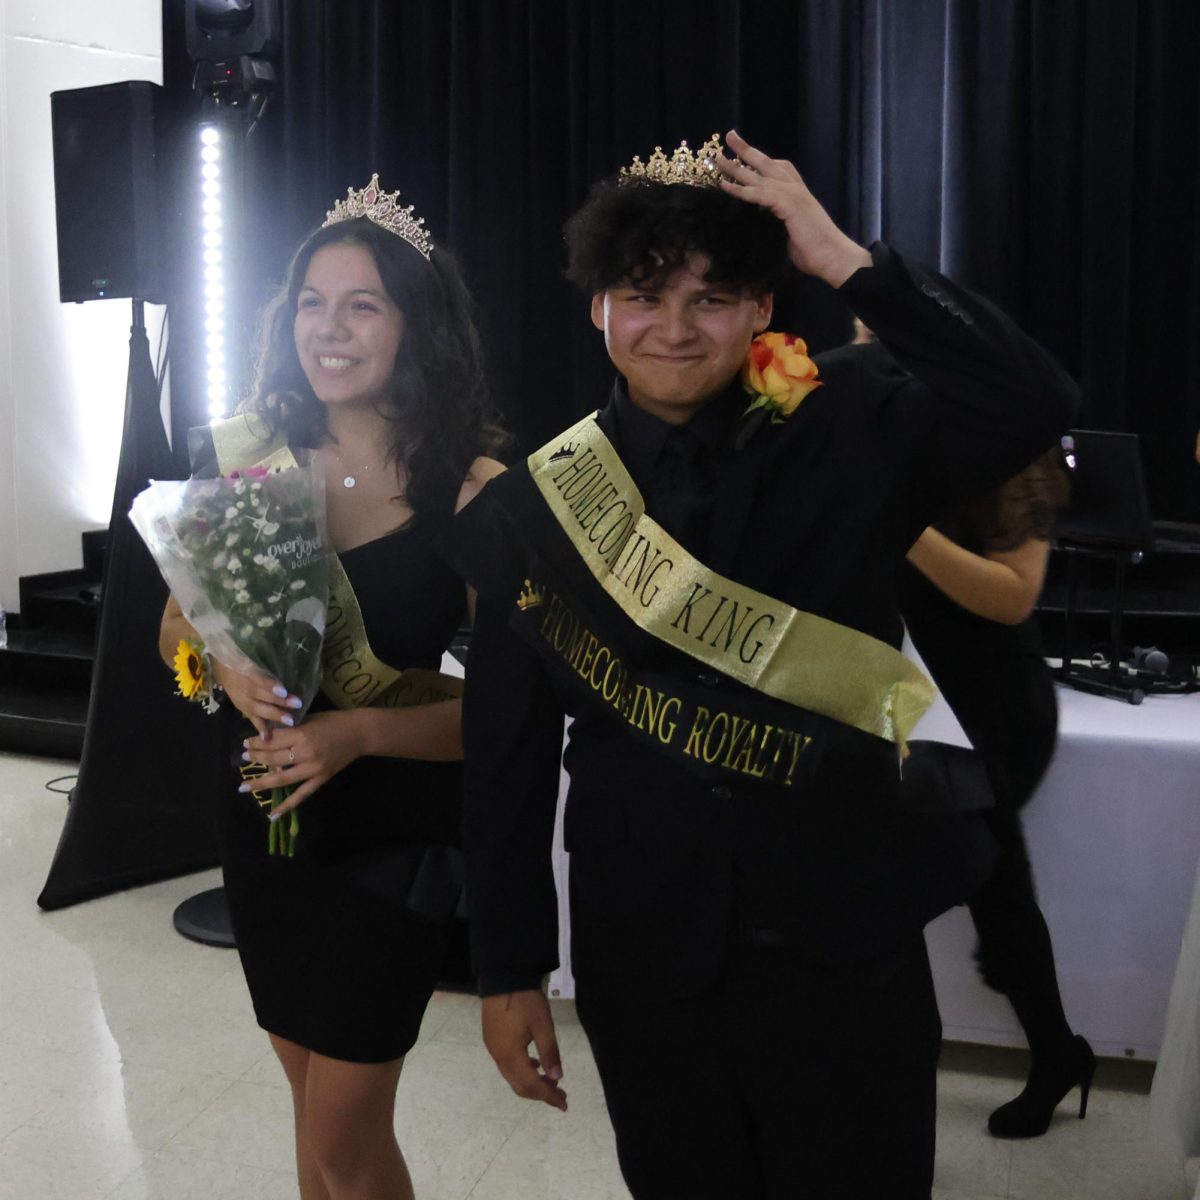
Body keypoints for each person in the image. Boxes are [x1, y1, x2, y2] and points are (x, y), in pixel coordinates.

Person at [452, 130, 1078, 1198]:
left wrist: (846, 257)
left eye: (714, 298)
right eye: (643, 297)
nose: (675, 330)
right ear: (598, 305)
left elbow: (1033, 402)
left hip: (846, 946)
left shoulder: (859, 422)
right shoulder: (531, 510)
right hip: (645, 958)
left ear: (763, 309)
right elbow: (504, 762)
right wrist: (508, 973)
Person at [158, 177, 504, 1200]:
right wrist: (219, 659)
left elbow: (512, 716)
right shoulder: (253, 456)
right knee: (314, 1125)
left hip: (395, 841)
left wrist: (357, 735)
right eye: (313, 302)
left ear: (415, 322)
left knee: (346, 1136)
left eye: (364, 304)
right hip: (266, 827)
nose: (331, 328)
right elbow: (174, 622)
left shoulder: (476, 492)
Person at [900, 447, 1095, 1138]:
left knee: (988, 888)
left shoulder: (1013, 447)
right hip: (906, 697)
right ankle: (1056, 1053)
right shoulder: (867, 418)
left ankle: (1052, 1055)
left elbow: (1015, 595)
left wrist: (900, 524)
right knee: (982, 891)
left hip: (992, 707)